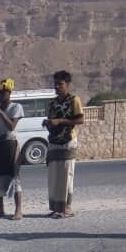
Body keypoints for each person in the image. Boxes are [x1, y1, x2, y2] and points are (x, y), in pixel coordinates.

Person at [42, 70, 84, 219]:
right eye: (55, 84)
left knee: (67, 175)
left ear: (67, 84)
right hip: (54, 142)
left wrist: (60, 121)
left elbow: (79, 120)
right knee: (54, 176)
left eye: (60, 84)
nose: (57, 87)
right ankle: (55, 208)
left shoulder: (74, 100)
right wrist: (49, 124)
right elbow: (51, 121)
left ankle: (67, 207)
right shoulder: (52, 103)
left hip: (68, 141)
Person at [0, 78, 25, 220]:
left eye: (3, 93)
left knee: (14, 177)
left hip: (10, 143)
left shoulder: (16, 107)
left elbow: (11, 126)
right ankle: (0, 209)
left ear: (9, 93)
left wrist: (0, 112)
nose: (0, 95)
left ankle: (18, 210)